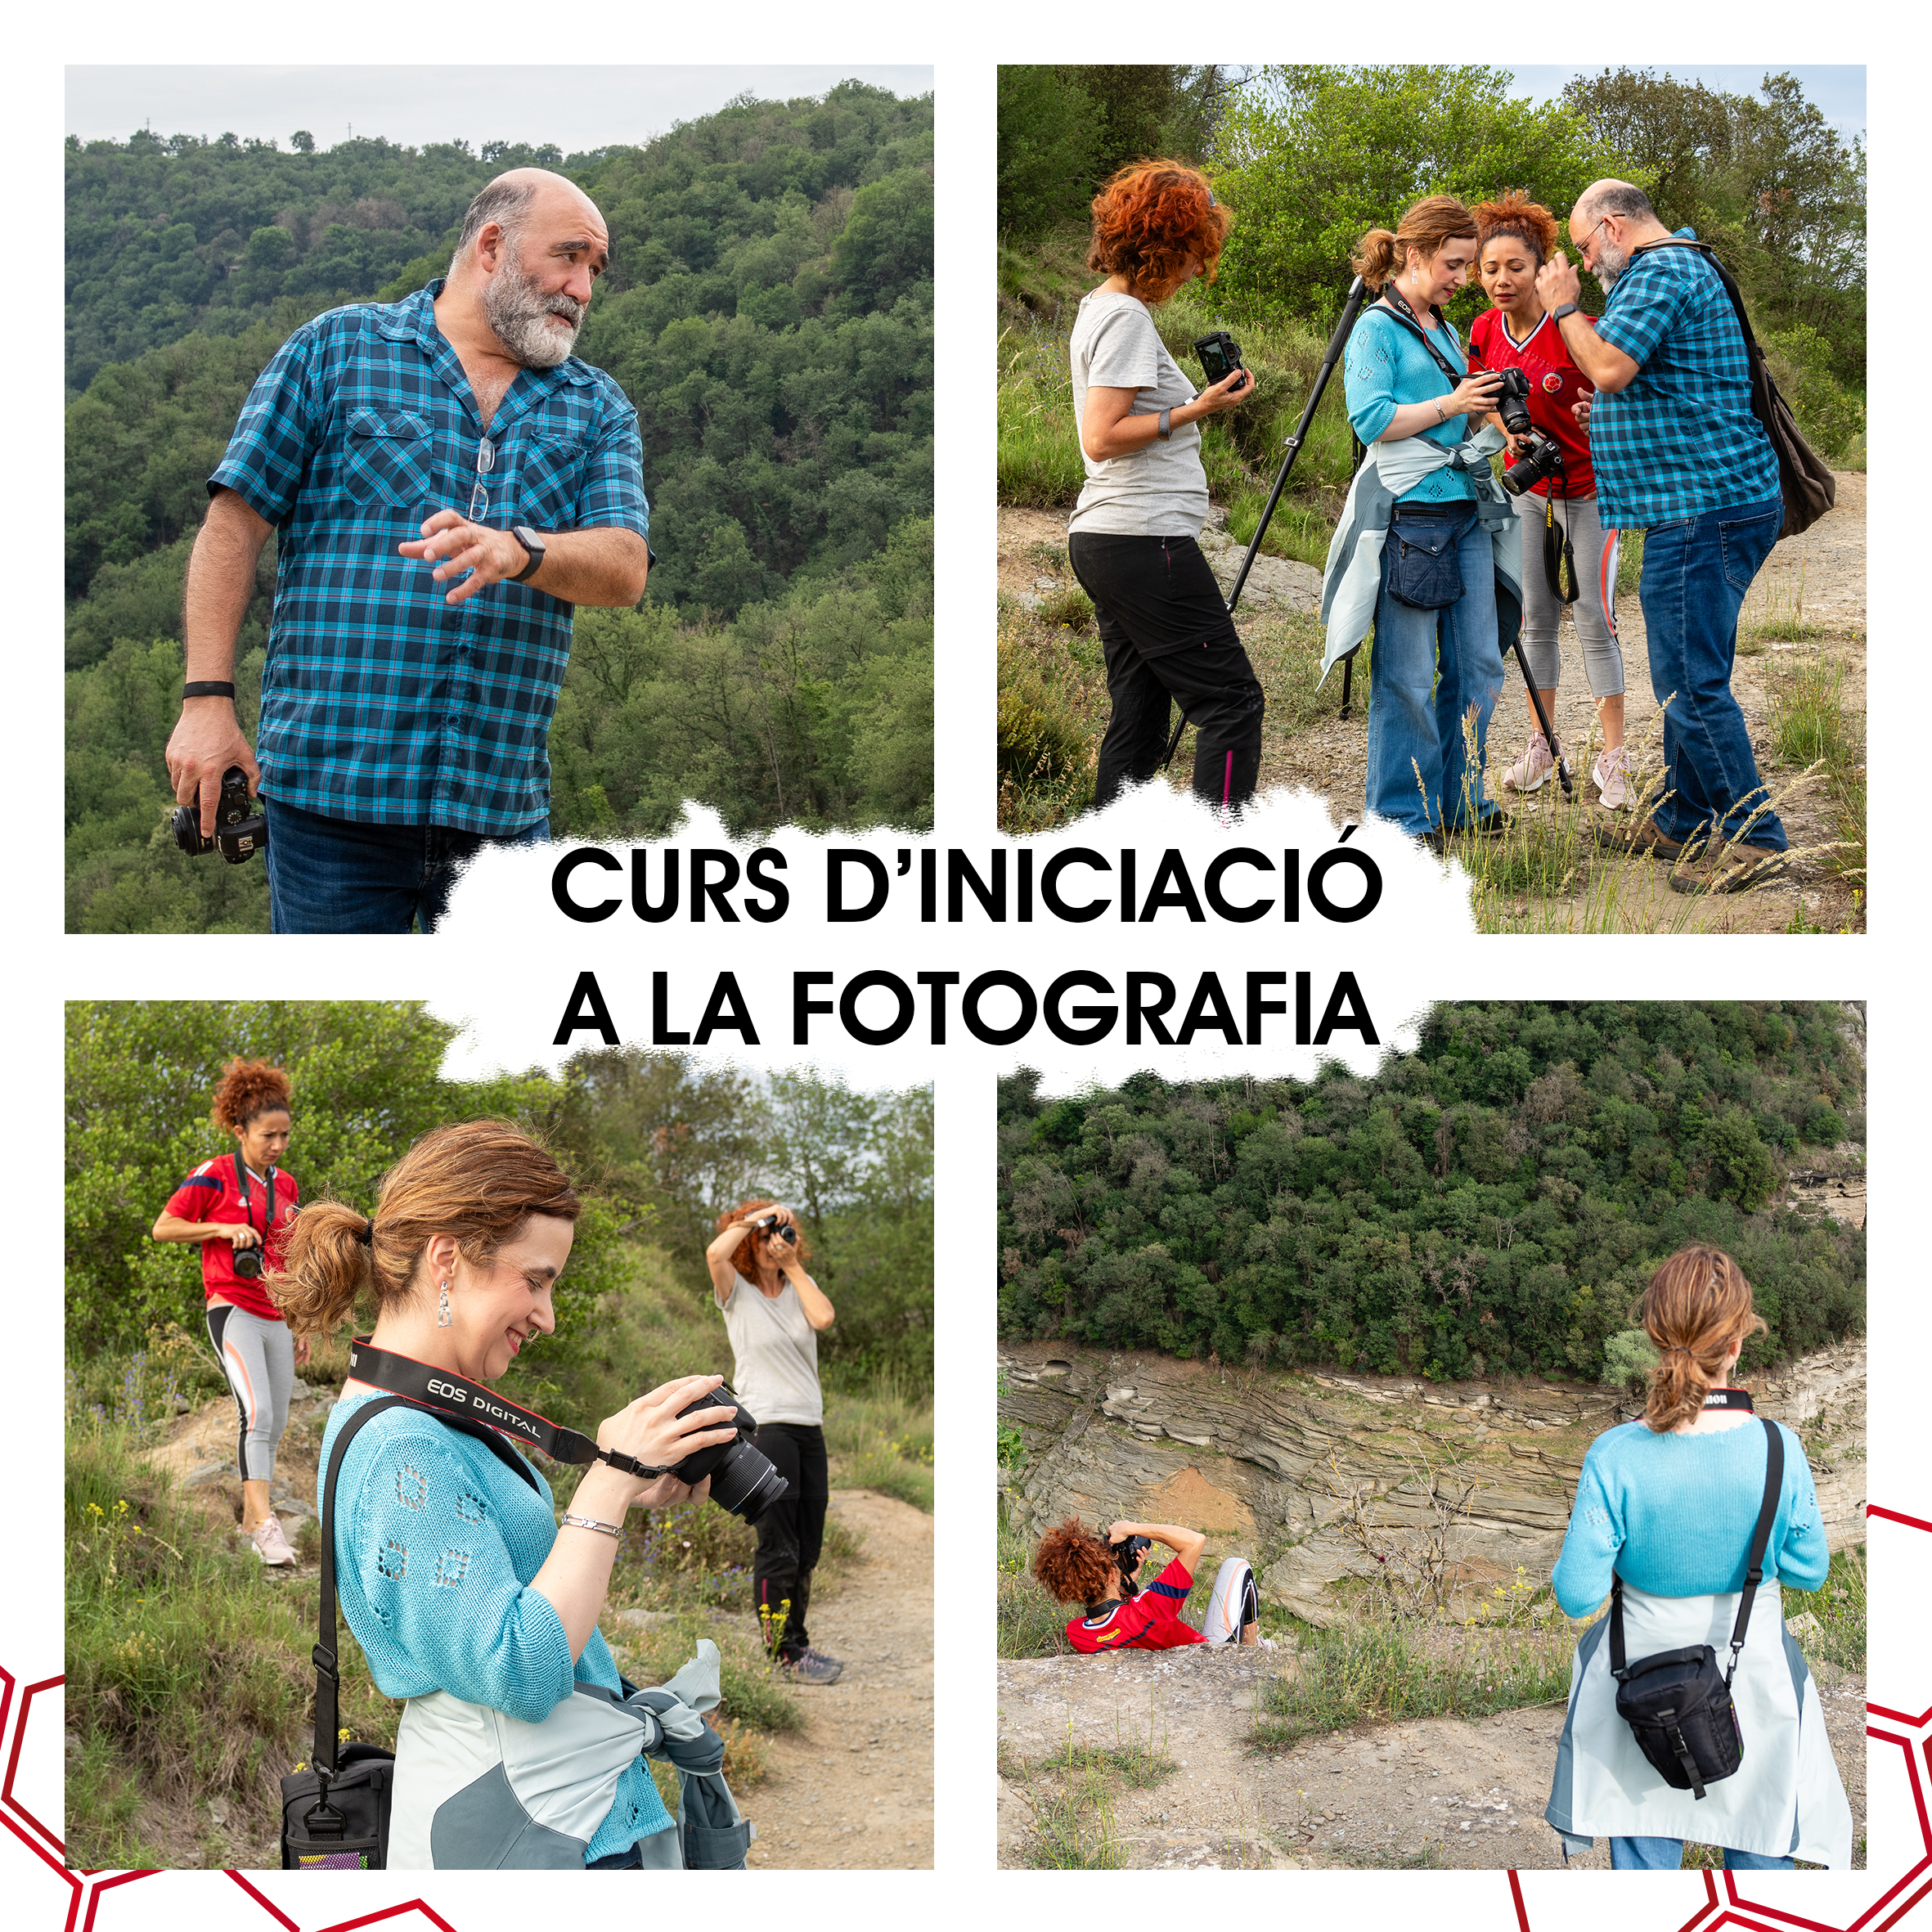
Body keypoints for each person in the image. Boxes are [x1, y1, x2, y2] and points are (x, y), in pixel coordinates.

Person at [166, 169, 652, 934]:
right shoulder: (336, 350)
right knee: (341, 1030)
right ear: (493, 246)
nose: (583, 287)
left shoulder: (597, 406)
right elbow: (233, 528)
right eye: (568, 257)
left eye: (595, 268)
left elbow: (625, 567)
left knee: (503, 1047)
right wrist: (206, 703)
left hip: (501, 810)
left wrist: (519, 550)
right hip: (331, 805)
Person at [275, 1120, 743, 1868]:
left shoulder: (425, 1420)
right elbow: (519, 1667)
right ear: (448, 1260)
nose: (547, 1317)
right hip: (539, 1841)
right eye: (536, 1279)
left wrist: (622, 1495)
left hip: (559, 1820)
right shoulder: (403, 1444)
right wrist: (609, 1478)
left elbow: (499, 1591)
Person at [1543, 1245, 1852, 1870]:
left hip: (1643, 1688)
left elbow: (1576, 1594)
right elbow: (1810, 1571)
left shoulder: (1614, 1453)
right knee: (1762, 1857)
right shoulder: (1778, 1448)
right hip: (1752, 1684)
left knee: (1645, 1850)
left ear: (1656, 1337)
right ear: (1738, 1342)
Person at [1535, 180, 1789, 893]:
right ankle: (1682, 819)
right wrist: (1611, 417)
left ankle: (1756, 840)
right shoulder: (1677, 267)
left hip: (1701, 508)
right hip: (1708, 502)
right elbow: (1646, 382)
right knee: (1689, 668)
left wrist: (1563, 311)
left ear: (1614, 227)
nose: (1583, 264)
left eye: (1585, 247)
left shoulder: (1663, 269)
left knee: (1689, 681)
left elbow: (1609, 364)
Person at [1063, 160, 1265, 815]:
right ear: (1162, 246)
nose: (1190, 272)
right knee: (1232, 704)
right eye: (1189, 255)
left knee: (1141, 716)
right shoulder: (1124, 318)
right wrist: (1195, 410)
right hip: (1143, 537)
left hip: (1110, 538)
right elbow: (1102, 436)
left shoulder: (1101, 308)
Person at [1324, 195, 1516, 847]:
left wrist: (1490, 413)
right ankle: (1401, 817)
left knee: (1481, 665)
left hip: (1464, 509)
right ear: (1414, 254)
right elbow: (1372, 420)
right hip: (1410, 516)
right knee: (1405, 675)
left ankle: (1460, 797)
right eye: (1453, 264)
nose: (1463, 279)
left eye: (1467, 266)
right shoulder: (1377, 328)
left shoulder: (1443, 328)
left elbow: (1454, 412)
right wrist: (1452, 401)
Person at [1469, 193, 1631, 811]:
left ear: (1543, 270)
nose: (1501, 281)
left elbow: (1619, 392)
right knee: (1535, 618)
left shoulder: (1573, 328)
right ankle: (1542, 745)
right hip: (1527, 489)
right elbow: (1480, 397)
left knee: (1595, 617)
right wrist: (1504, 429)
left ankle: (1614, 758)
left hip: (1590, 492)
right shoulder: (1484, 330)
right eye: (1489, 269)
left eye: (1516, 267)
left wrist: (1600, 418)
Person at [152, 1058, 307, 1566]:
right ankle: (265, 1525)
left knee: (277, 1418)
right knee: (256, 1412)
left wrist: (301, 1319)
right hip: (232, 1306)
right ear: (240, 1130)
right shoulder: (215, 1175)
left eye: (284, 1135)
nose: (278, 1146)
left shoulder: (287, 1186)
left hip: (277, 1314)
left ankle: (248, 1524)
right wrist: (220, 1230)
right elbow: (164, 1227)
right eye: (268, 1136)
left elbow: (288, 1256)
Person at [706, 1202, 842, 1684]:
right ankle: (780, 1650)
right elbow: (714, 1253)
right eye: (764, 1236)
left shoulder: (795, 1288)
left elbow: (823, 1317)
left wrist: (792, 1264)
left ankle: (798, 1643)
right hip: (769, 1428)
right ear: (749, 1241)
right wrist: (760, 1215)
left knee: (808, 1544)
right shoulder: (737, 1293)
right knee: (778, 1543)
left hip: (809, 1427)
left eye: (781, 1232)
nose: (772, 1241)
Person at [1032, 1518, 1262, 1651]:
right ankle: (1250, 1655)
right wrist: (1130, 1528)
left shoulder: (1077, 1634)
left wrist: (1126, 1588)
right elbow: (1194, 1541)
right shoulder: (1149, 1610)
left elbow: (1116, 1624)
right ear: (1112, 1576)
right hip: (1211, 1657)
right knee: (1237, 1565)